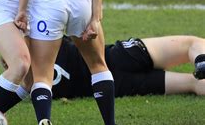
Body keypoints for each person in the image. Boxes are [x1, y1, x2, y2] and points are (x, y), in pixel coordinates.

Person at [48, 36, 205, 98]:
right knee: (191, 44)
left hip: (117, 87)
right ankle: (201, 61)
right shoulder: (38, 35)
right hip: (118, 57)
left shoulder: (35, 83)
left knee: (193, 83)